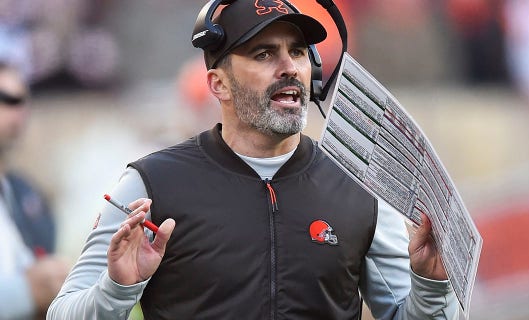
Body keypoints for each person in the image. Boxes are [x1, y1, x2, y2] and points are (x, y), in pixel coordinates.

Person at [47, 1, 459, 319]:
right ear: (219, 84)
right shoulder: (151, 184)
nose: (288, 68)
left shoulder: (361, 189)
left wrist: (430, 284)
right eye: (264, 54)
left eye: (297, 52)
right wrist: (116, 290)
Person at [0, 62, 69, 320]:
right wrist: (25, 292)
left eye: (22, 99)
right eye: (5, 99)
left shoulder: (26, 195)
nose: (17, 111)